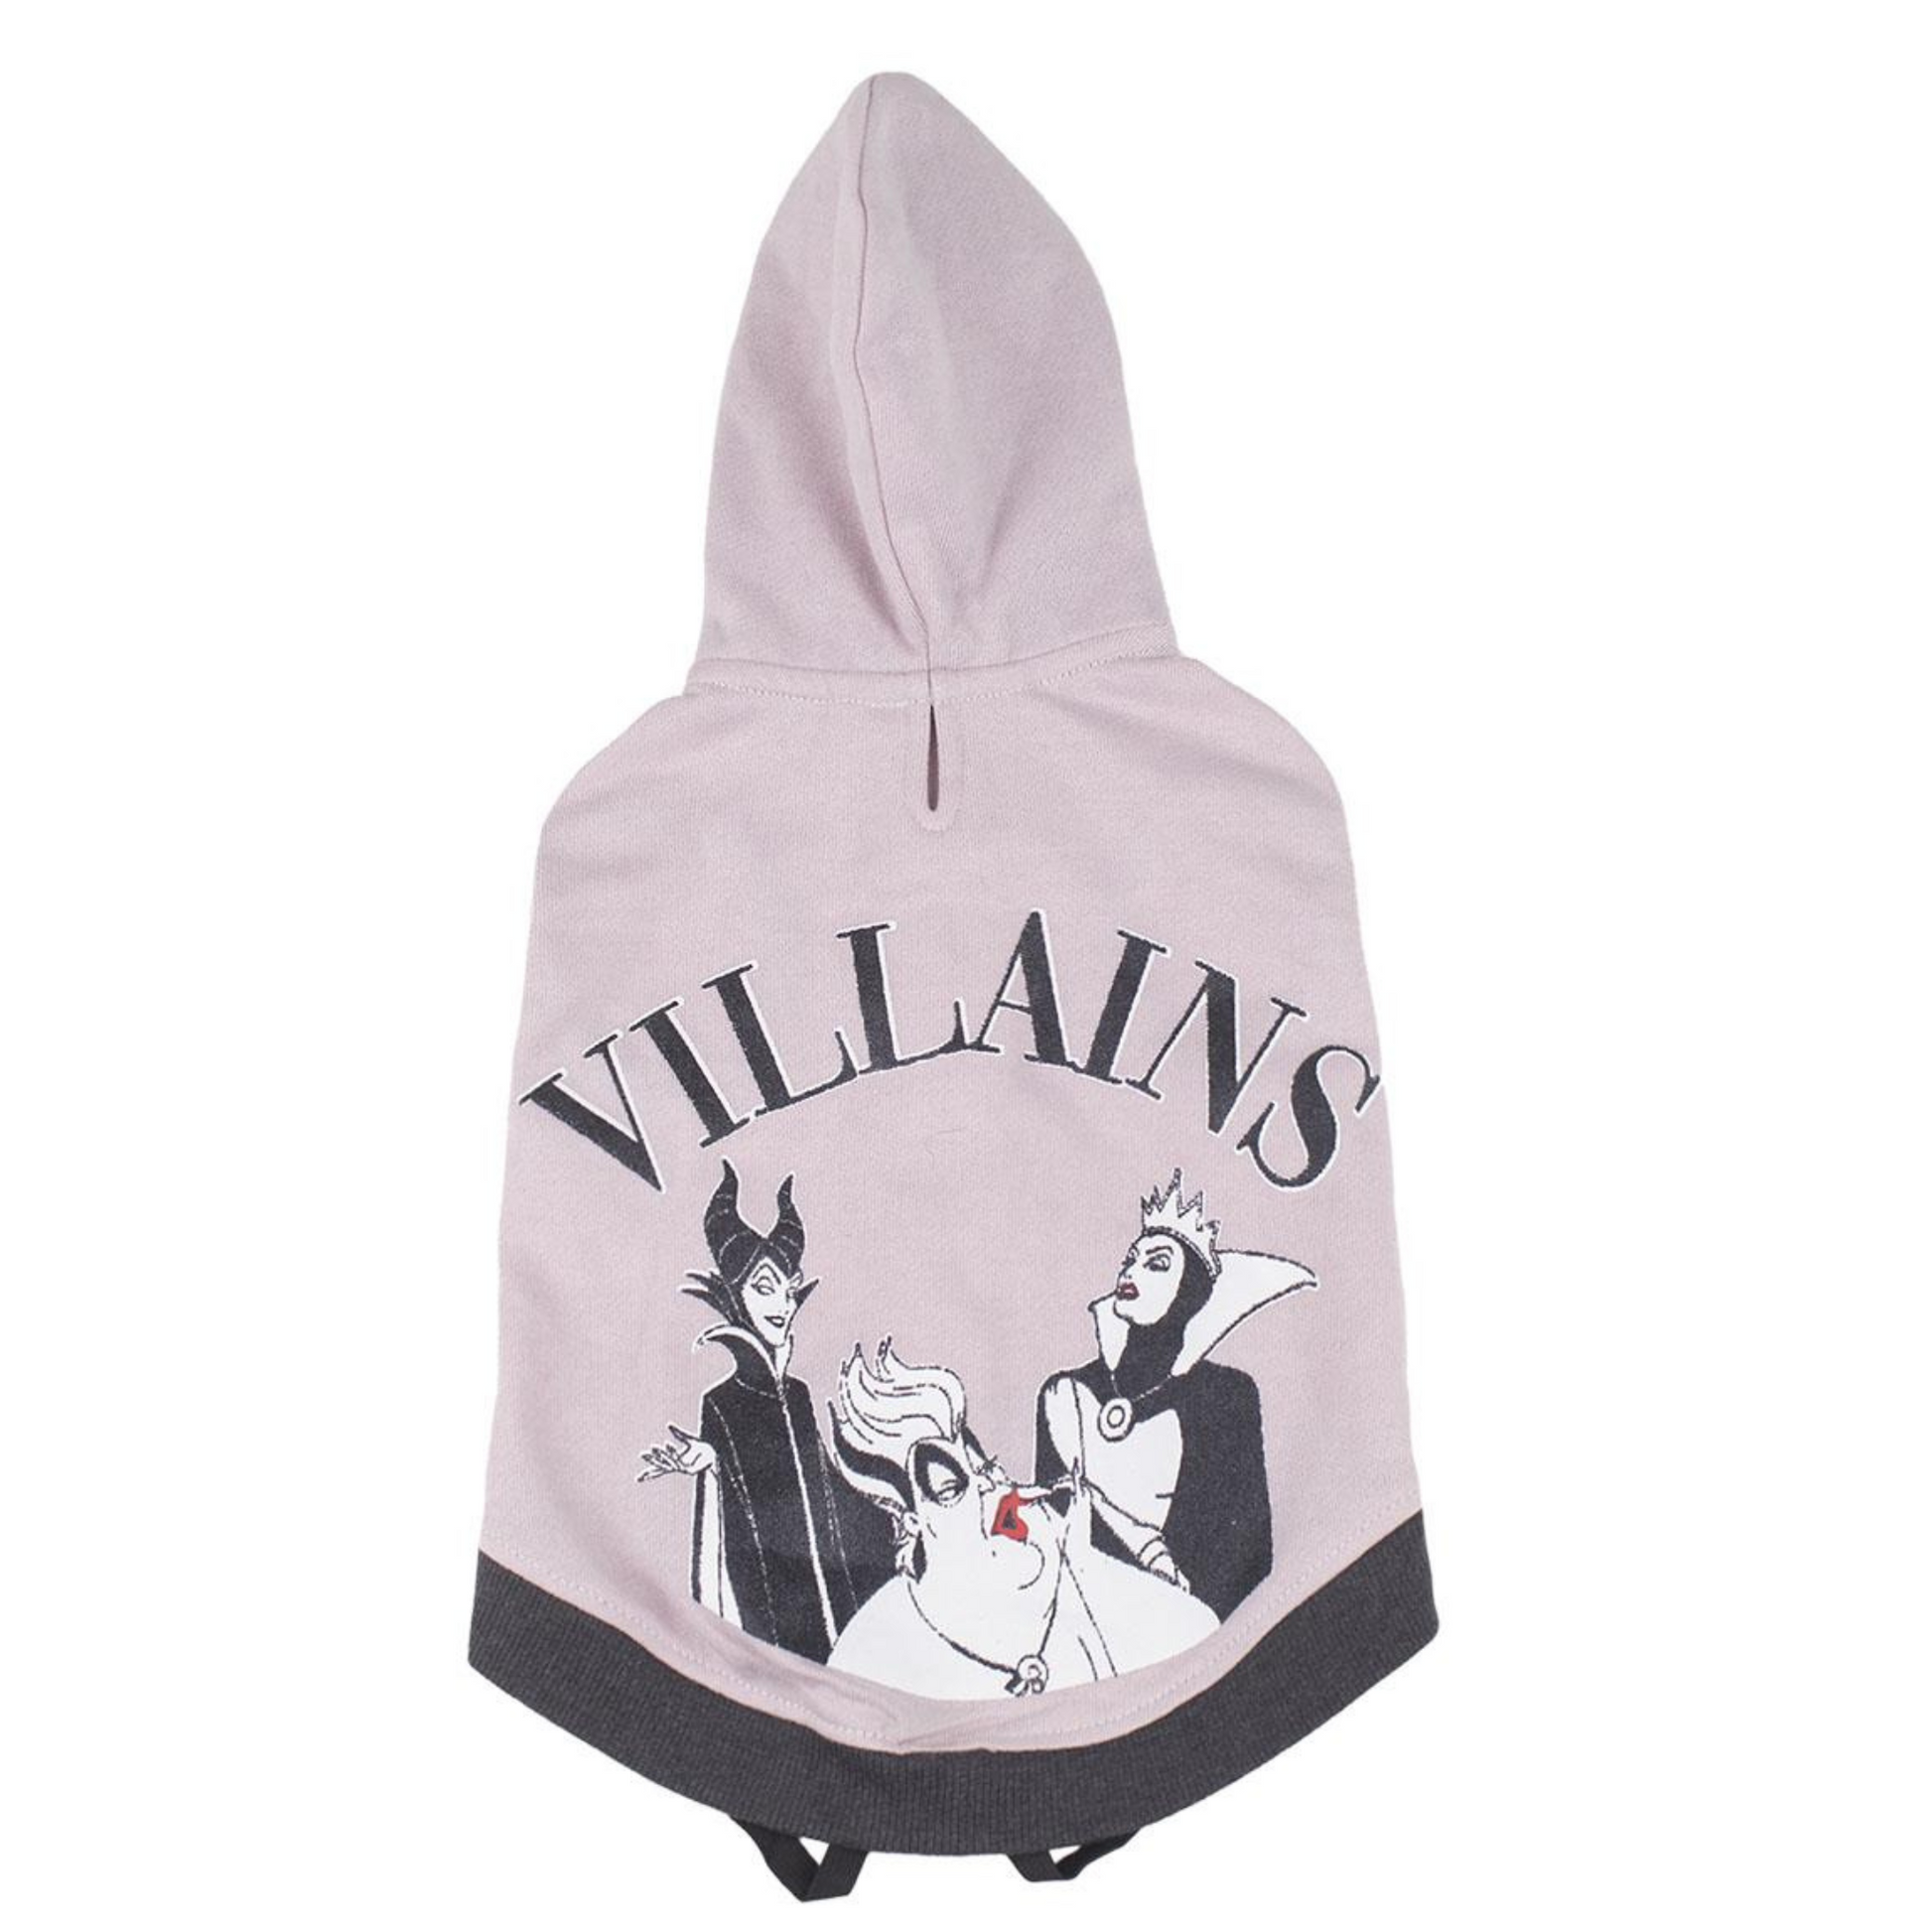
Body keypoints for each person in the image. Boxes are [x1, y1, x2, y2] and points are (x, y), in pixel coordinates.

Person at [824, 1340, 1217, 1698]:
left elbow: (1192, 1635)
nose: (989, 1490)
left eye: (988, 1470)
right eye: (950, 1490)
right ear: (911, 1523)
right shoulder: (872, 1652)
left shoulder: (1077, 1558)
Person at [637, 1162, 893, 1663]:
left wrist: (887, 1509)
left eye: (787, 1290)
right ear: (734, 1296)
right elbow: (729, 1501)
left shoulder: (796, 1393)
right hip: (770, 1598)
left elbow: (827, 1484)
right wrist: (709, 1461)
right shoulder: (722, 1402)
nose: (782, 1304)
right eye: (763, 1288)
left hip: (834, 1593)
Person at [1034, 1172, 1316, 1621]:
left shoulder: (1227, 1397)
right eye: (1131, 1259)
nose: (1130, 1271)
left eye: (1157, 1264)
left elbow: (1247, 1548)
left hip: (1197, 1625)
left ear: (1191, 1295)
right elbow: (1051, 1532)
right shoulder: (1064, 1395)